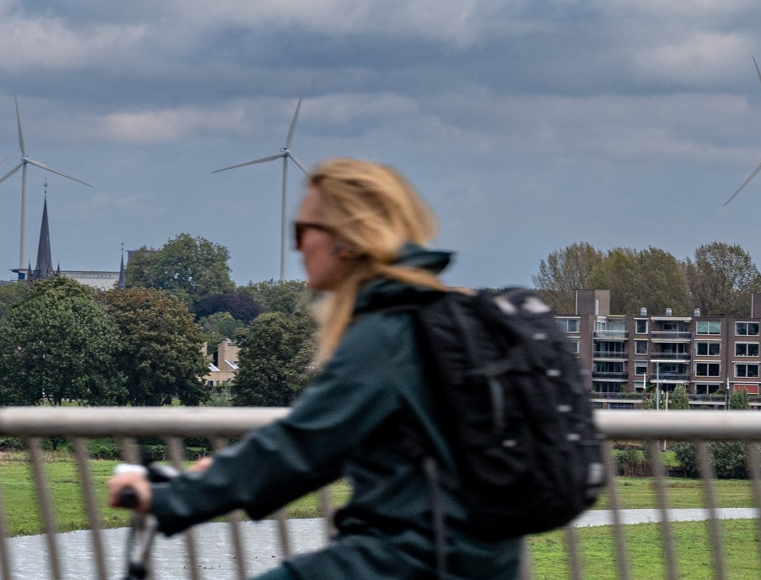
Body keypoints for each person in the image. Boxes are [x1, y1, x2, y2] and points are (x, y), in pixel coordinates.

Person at [107, 159, 518, 580]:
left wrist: (171, 499)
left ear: (346, 238)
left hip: (412, 560)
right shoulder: (446, 317)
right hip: (483, 561)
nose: (296, 247)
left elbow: (298, 446)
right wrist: (216, 475)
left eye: (303, 231)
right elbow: (326, 449)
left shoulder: (386, 334)